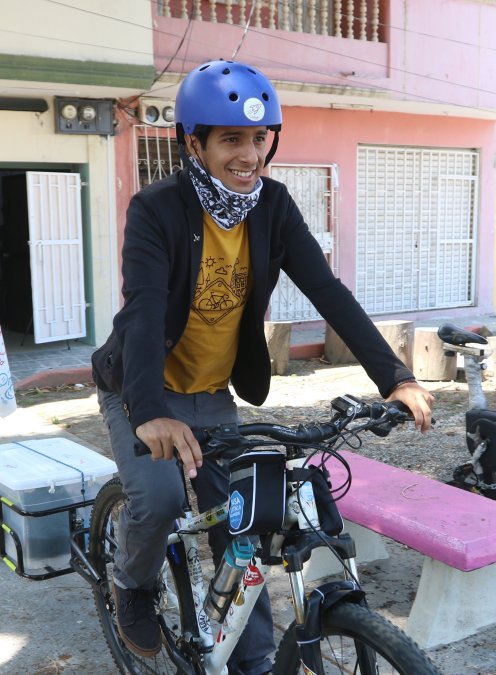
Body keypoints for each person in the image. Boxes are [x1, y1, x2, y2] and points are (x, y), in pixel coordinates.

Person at [91, 59, 434, 673]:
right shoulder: (157, 209)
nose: (248, 155)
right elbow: (142, 310)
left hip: (212, 394)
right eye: (230, 139)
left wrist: (396, 378)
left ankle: (250, 664)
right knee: (161, 502)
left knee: (244, 525)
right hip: (141, 390)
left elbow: (327, 291)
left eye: (258, 138)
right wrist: (148, 412)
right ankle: (131, 584)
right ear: (194, 143)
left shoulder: (272, 206)